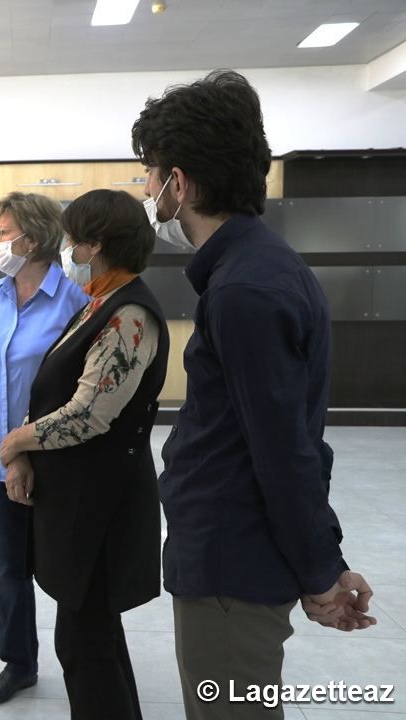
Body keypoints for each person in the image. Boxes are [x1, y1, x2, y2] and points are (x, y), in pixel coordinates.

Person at [131, 69, 376, 720]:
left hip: (230, 572)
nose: (149, 192)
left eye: (151, 176)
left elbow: (284, 453)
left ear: (178, 183)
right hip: (231, 554)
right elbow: (285, 435)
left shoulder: (244, 292)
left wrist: (321, 572)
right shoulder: (259, 268)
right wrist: (322, 559)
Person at [0, 189, 168, 720]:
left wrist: (15, 442)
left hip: (103, 505)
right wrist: (25, 446)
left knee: (82, 644)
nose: (67, 247)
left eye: (74, 238)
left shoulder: (129, 314)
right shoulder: (99, 300)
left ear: (96, 244)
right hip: (82, 498)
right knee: (94, 636)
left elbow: (87, 413)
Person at [0, 192, 88, 704]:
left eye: (1, 232)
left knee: (62, 563)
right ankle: (19, 664)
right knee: (7, 565)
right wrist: (3, 450)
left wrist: (26, 451)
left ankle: (84, 659)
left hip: (50, 460)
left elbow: (72, 389)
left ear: (32, 239)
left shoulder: (77, 303)